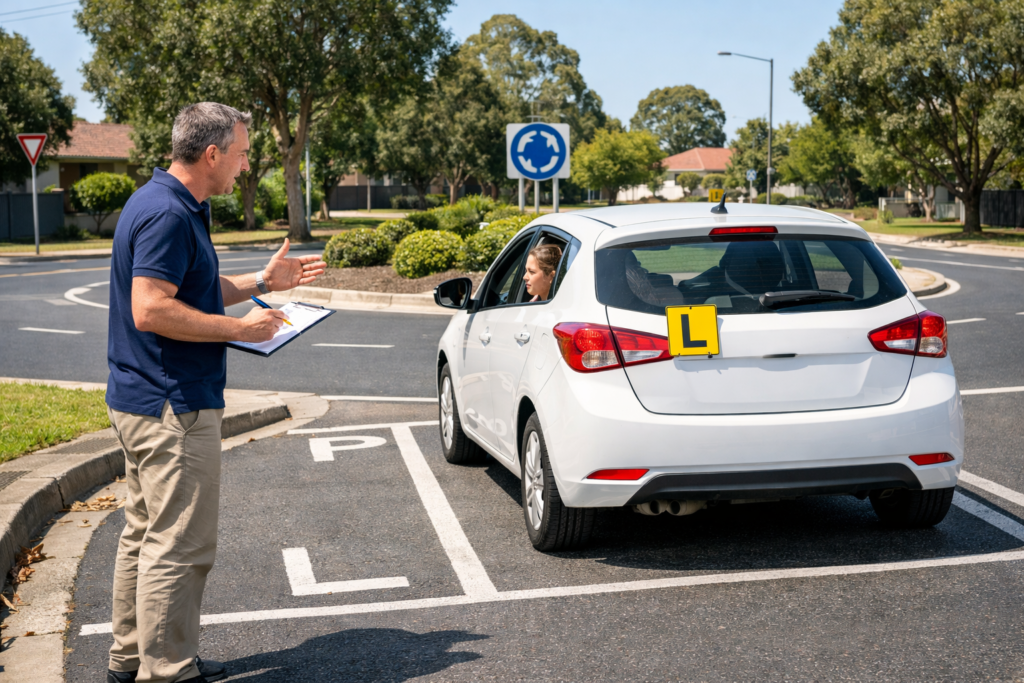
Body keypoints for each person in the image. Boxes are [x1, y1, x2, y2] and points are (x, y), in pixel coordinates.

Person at [105, 102, 326, 683]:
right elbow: (151, 308)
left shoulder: (165, 201)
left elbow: (191, 288)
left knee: (144, 535)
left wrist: (262, 282)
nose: (246, 165)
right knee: (180, 545)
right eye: (243, 153)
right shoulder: (169, 214)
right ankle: (168, 672)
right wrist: (241, 329)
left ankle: (131, 661)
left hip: (143, 398)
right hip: (173, 404)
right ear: (211, 154)